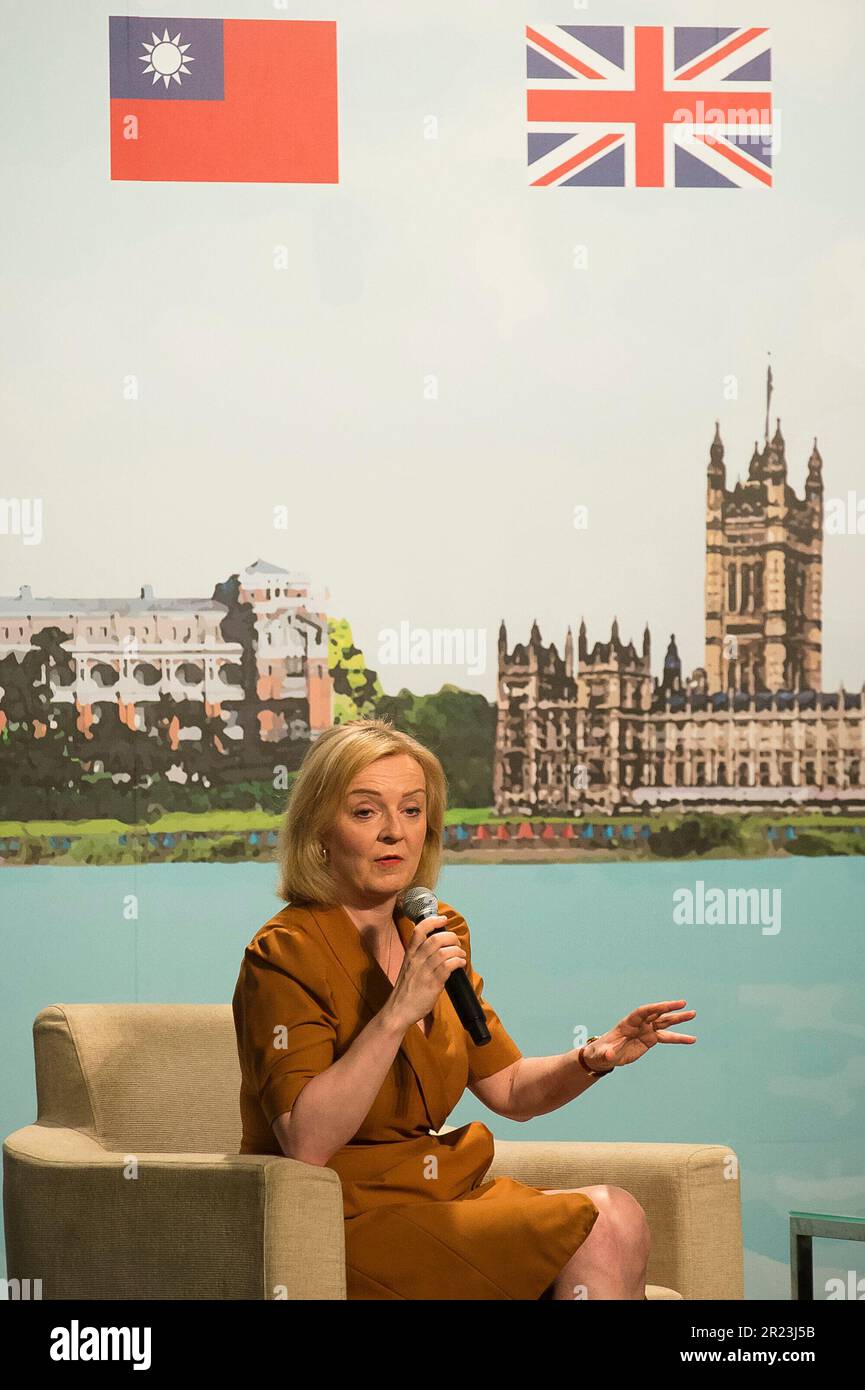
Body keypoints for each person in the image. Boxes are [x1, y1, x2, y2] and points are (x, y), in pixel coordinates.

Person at [232, 718, 697, 1300]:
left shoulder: (437, 929)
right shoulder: (284, 952)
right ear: (321, 829)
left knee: (616, 1214)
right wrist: (398, 1011)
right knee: (605, 1222)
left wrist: (593, 1056)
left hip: (433, 1192)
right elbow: (305, 1142)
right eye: (366, 812)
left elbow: (509, 1089)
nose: (393, 834)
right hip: (333, 1220)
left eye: (411, 811)